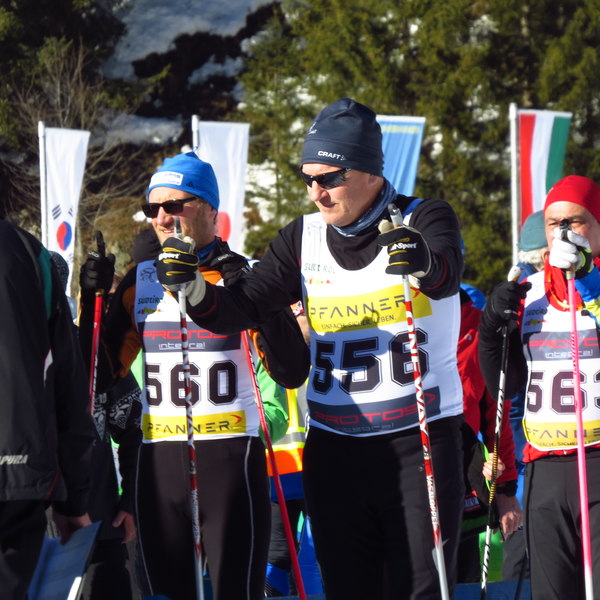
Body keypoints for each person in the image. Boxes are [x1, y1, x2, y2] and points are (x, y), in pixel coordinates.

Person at [157, 98, 467, 599]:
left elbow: (446, 273)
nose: (317, 193)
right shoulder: (303, 237)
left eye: (329, 178)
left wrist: (424, 262)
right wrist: (193, 290)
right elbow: (244, 305)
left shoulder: (424, 217)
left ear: (369, 170)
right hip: (335, 448)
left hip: (419, 442)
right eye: (307, 179)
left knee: (421, 590)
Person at [79, 151, 309, 600]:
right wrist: (94, 303)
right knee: (165, 593)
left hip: (230, 458)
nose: (161, 218)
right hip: (160, 463)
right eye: (152, 208)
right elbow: (98, 378)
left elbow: (291, 369)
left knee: (235, 591)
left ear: (208, 208)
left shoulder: (243, 276)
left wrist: (258, 303)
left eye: (174, 205)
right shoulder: (140, 281)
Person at [478, 175, 600, 599]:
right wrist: (491, 327)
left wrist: (588, 280)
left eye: (575, 221)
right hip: (544, 469)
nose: (563, 231)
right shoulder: (529, 295)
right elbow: (505, 384)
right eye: (553, 223)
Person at [0, 221, 95, 600]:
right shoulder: (27, 251)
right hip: (17, 473)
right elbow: (68, 384)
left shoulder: (31, 254)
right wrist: (74, 499)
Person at [456, 286, 522, 583]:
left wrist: (505, 490)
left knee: (460, 579)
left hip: (458, 478)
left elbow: (497, 417)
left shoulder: (477, 325)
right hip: (397, 477)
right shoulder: (391, 318)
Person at [501, 209, 548, 582]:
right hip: (532, 459)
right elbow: (507, 398)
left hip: (534, 457)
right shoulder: (525, 295)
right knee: (526, 565)